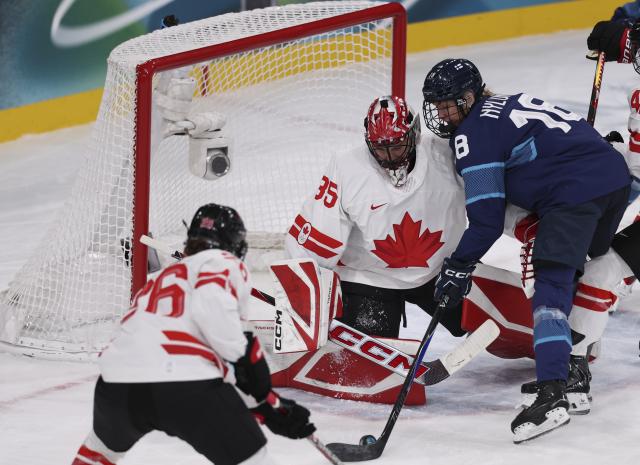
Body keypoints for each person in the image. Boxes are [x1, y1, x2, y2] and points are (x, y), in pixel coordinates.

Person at [421, 58, 632, 443]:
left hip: (574, 195)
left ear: (468, 99)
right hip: (613, 180)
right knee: (582, 269)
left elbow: (485, 221)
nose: (440, 113)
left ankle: (554, 392)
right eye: (435, 105)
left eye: (447, 104)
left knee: (549, 285)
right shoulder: (508, 103)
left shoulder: (474, 134)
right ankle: (573, 371)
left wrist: (458, 266)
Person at [71, 204, 315, 465]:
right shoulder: (224, 262)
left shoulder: (161, 277)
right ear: (236, 244)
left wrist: (267, 407)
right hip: (184, 386)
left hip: (116, 386)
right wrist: (254, 378)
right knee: (253, 460)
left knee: (99, 454)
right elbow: (218, 323)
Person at [285, 95, 468, 340]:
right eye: (380, 148)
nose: (389, 157)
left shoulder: (446, 154)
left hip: (442, 272)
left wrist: (524, 228)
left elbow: (491, 199)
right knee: (360, 369)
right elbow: (312, 244)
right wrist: (297, 315)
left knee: (494, 325)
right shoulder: (346, 167)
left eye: (396, 146)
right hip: (370, 279)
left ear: (414, 136)